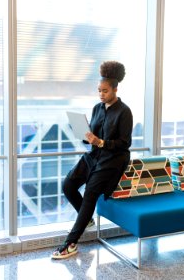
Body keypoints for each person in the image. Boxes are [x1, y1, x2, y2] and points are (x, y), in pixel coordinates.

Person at [51, 60, 133, 259]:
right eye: (99, 91)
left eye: (105, 91)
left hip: (112, 160)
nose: (101, 94)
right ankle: (86, 219)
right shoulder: (97, 108)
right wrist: (84, 134)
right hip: (94, 156)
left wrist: (102, 142)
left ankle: (70, 244)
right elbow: (92, 137)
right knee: (68, 185)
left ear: (115, 89)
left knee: (90, 194)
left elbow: (124, 143)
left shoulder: (125, 111)